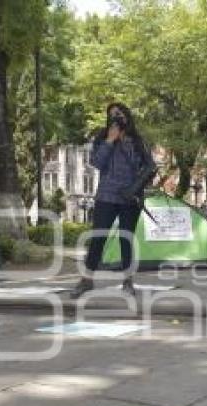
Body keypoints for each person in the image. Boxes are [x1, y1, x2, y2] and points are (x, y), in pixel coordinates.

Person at [72, 102, 155, 299]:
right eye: (112, 115)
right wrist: (110, 140)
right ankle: (87, 280)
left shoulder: (138, 141)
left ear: (127, 116)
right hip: (106, 196)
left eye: (120, 114)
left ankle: (127, 281)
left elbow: (149, 167)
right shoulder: (102, 138)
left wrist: (135, 188)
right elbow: (97, 163)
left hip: (130, 197)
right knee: (98, 238)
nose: (116, 117)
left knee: (125, 239)